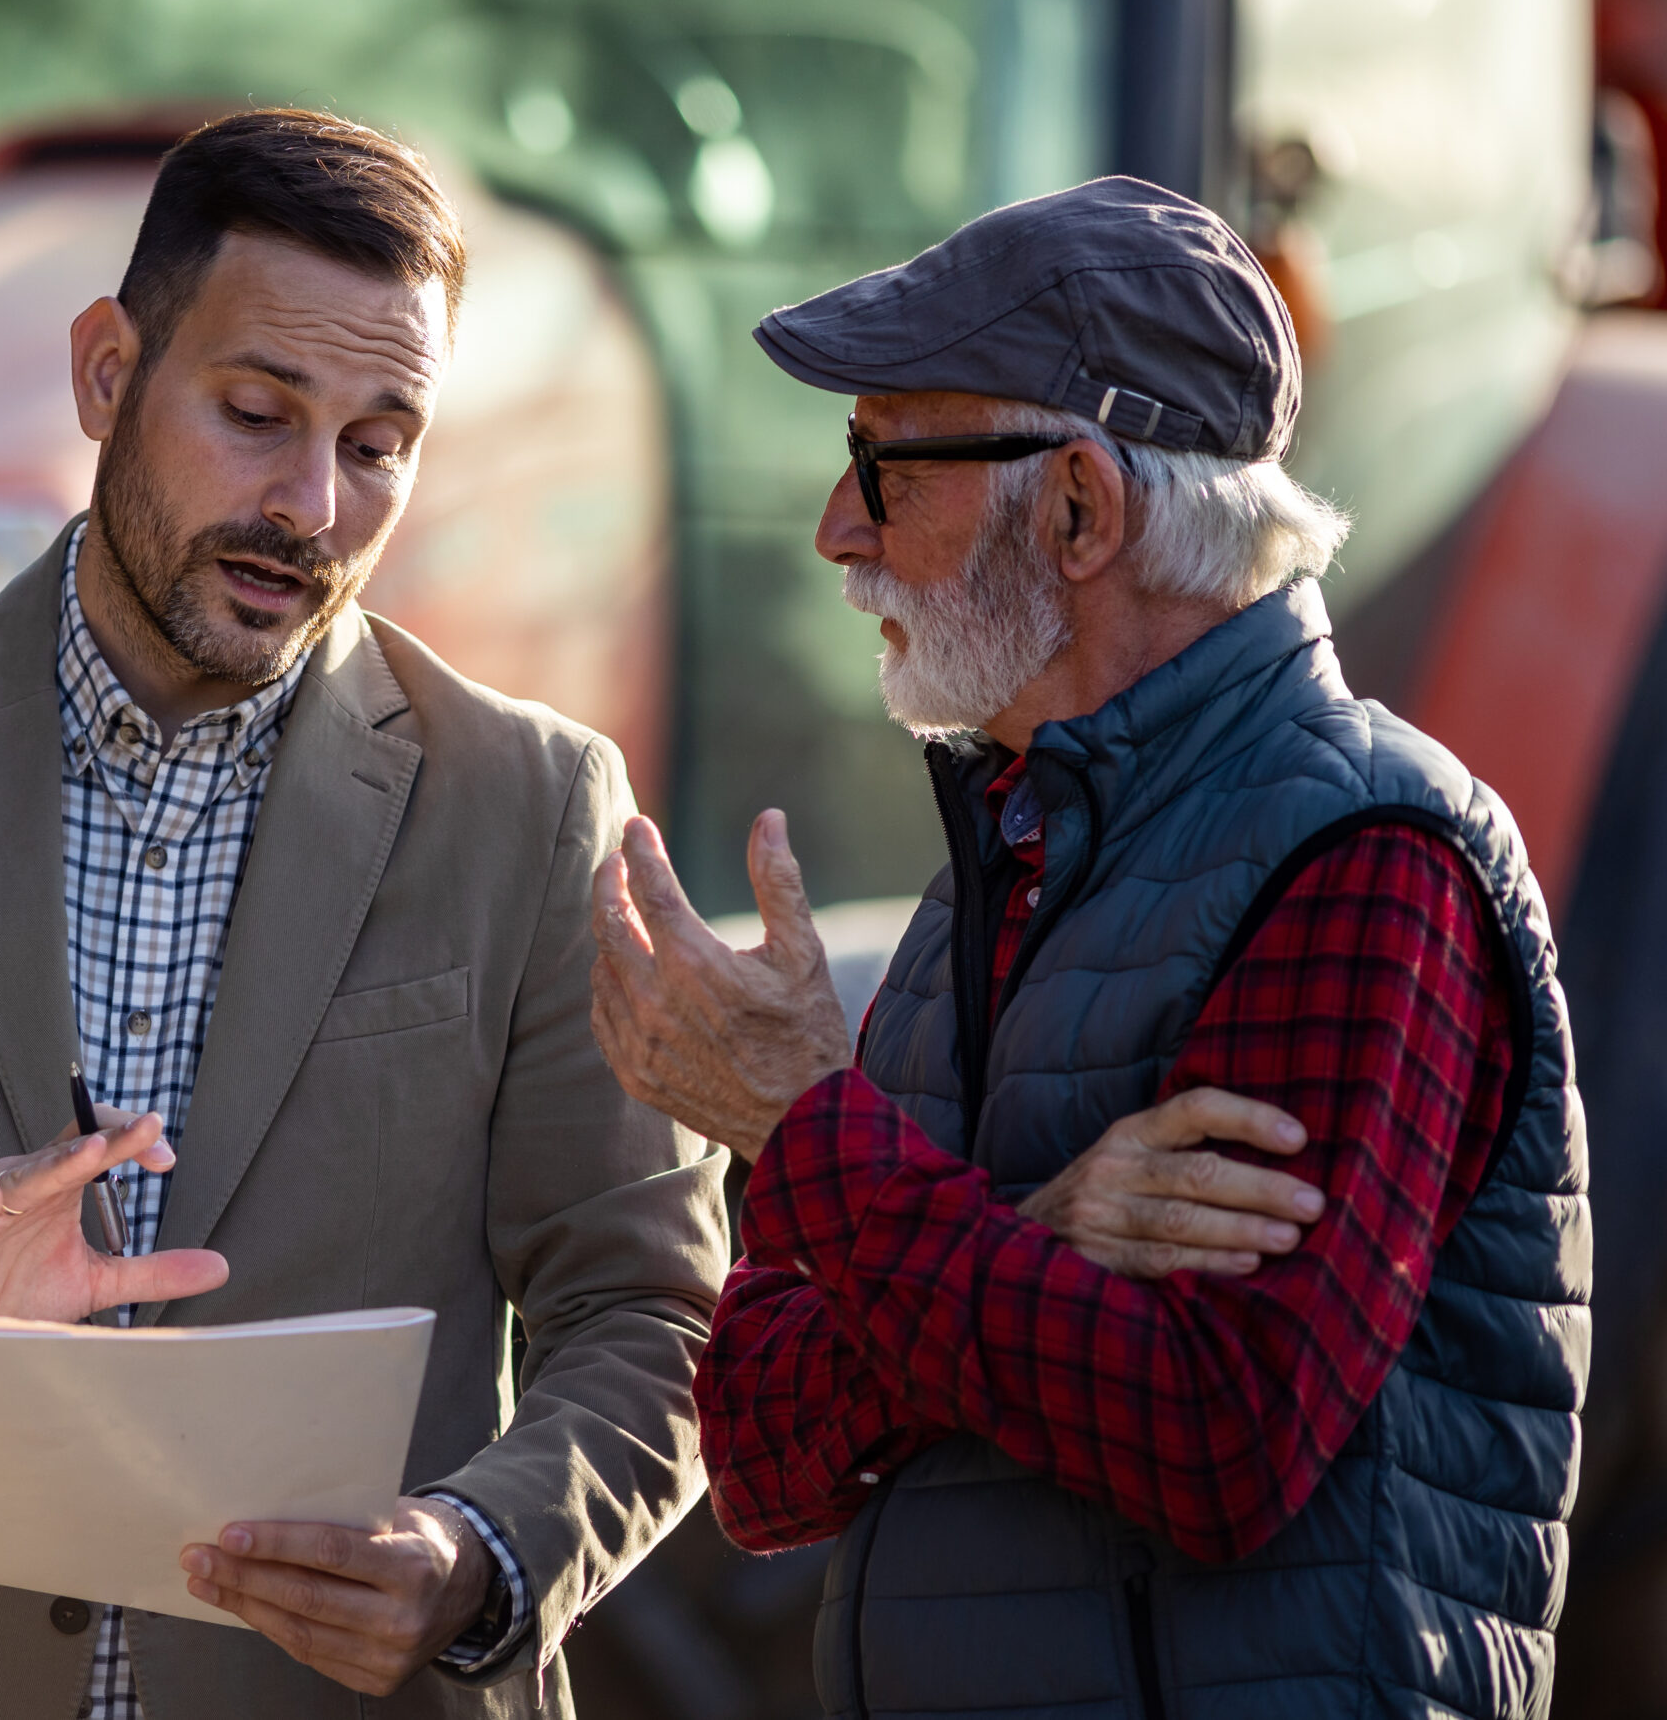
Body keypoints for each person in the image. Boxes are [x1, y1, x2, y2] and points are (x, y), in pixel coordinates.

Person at [0, 109, 727, 1720]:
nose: (311, 503)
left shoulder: (533, 807)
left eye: (378, 444)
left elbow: (653, 1312)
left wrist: (477, 1553)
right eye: (257, 414)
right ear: (107, 372)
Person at [586, 177, 1585, 1719]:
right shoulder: (997, 872)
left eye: (884, 464)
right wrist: (1041, 1223)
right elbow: (765, 1460)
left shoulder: (1369, 856)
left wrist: (805, 1132)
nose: (836, 526)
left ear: (1078, 509)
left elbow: (1219, 1445)